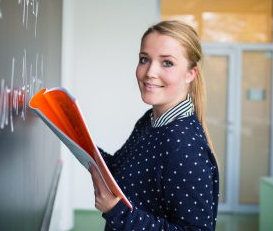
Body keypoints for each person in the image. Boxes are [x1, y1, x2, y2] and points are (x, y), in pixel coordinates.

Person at [89, 20, 219, 230]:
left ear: (190, 74)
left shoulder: (184, 144)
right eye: (144, 59)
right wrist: (77, 138)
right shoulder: (150, 121)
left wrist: (116, 211)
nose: (150, 72)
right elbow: (122, 171)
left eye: (167, 63)